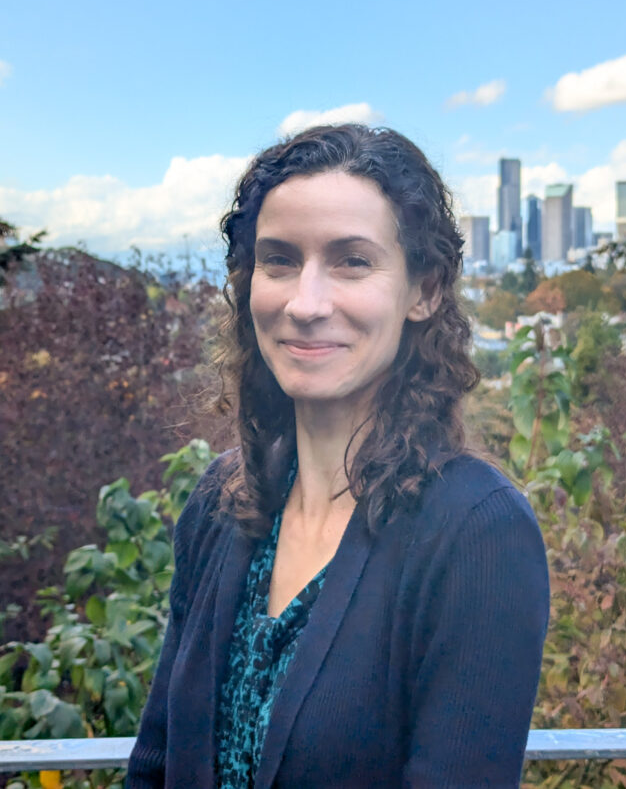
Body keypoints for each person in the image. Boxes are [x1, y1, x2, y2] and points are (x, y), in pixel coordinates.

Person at [126, 124, 549, 789]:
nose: (305, 303)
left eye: (352, 261)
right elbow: (154, 764)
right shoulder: (220, 503)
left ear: (425, 291)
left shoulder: (477, 534)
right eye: (280, 260)